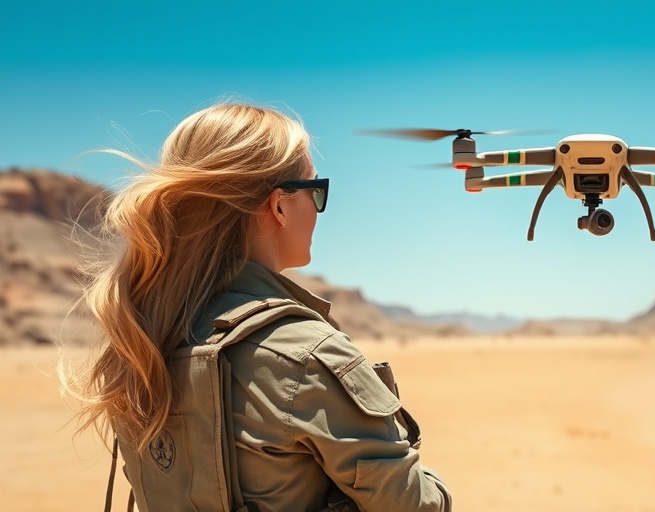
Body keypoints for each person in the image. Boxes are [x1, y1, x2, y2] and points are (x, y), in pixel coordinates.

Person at [64, 103, 452, 511]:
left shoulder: (143, 338)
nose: (318, 209)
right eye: (314, 190)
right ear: (279, 205)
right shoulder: (303, 351)